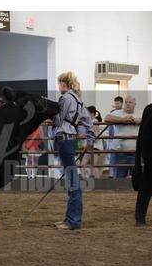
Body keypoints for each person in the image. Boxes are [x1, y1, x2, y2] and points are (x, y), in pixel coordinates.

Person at [52, 72, 95, 231]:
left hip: (63, 139)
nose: (59, 86)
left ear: (65, 84)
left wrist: (49, 116)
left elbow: (58, 120)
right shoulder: (79, 100)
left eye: (59, 83)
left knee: (72, 181)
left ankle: (73, 220)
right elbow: (89, 124)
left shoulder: (64, 98)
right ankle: (70, 218)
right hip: (71, 140)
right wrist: (89, 142)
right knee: (72, 179)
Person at [105, 95, 141, 179]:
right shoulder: (118, 112)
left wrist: (139, 120)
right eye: (126, 102)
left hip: (136, 152)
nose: (127, 104)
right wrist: (123, 120)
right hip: (121, 152)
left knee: (137, 177)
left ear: (135, 104)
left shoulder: (140, 112)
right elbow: (107, 118)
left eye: (130, 102)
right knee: (119, 177)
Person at [133, 104, 152, 226]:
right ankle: (140, 217)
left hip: (148, 155)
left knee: (146, 187)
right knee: (146, 187)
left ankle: (140, 217)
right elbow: (145, 136)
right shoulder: (150, 110)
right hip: (150, 157)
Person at [81, 105, 103, 179]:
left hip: (95, 146)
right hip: (90, 146)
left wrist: (87, 136)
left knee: (93, 165)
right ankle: (85, 180)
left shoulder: (95, 121)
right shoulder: (90, 122)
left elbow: (97, 135)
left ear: (92, 113)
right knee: (84, 164)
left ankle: (98, 181)